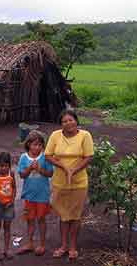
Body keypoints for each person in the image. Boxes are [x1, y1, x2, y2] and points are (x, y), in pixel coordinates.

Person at [45, 109, 94, 260]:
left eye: (71, 120)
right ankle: (63, 245)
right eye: (65, 121)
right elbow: (48, 155)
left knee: (75, 215)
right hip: (60, 182)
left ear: (76, 121)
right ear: (61, 124)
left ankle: (73, 246)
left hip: (79, 182)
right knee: (63, 215)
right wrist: (64, 168)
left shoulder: (85, 136)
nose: (68, 123)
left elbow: (88, 156)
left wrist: (74, 170)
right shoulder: (55, 135)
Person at [17, 131, 53, 256]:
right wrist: (30, 168)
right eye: (34, 144)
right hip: (29, 195)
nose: (37, 147)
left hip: (42, 195)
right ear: (28, 145)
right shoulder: (23, 157)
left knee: (41, 219)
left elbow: (50, 173)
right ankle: (30, 243)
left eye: (39, 145)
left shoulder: (45, 157)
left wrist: (39, 169)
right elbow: (21, 175)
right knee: (30, 220)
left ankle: (42, 244)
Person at [0, 152, 16, 261]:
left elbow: (14, 188)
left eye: (6, 166)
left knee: (7, 227)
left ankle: (7, 249)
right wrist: (1, 201)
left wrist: (12, 200)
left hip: (9, 205)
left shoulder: (11, 174)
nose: (4, 168)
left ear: (9, 166)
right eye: (1, 166)